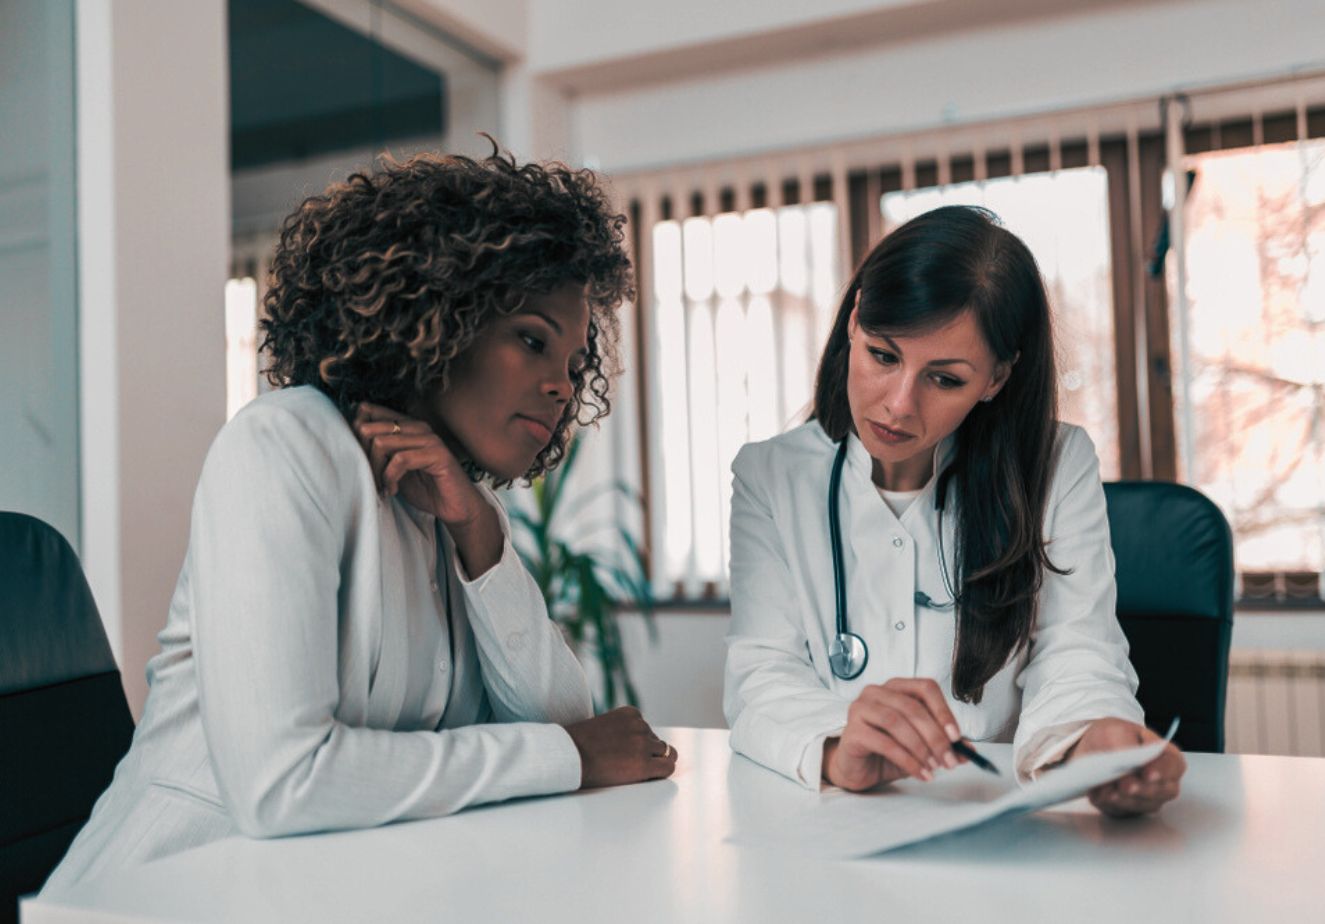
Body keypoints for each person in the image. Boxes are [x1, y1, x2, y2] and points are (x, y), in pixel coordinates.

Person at [43, 145, 676, 895]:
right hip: (162, 893)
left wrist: (478, 535)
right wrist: (564, 757)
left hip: (318, 893)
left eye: (574, 367)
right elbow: (284, 783)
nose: (558, 388)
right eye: (532, 339)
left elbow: (566, 719)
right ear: (440, 315)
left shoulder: (448, 499)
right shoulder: (282, 448)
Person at [723, 205, 1184, 816]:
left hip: (998, 817)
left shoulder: (1056, 463)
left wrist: (1092, 738)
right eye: (883, 356)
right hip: (832, 818)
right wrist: (837, 745)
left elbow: (1078, 648)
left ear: (996, 379)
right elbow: (761, 674)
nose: (898, 405)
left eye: (944, 380)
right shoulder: (769, 475)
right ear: (855, 320)